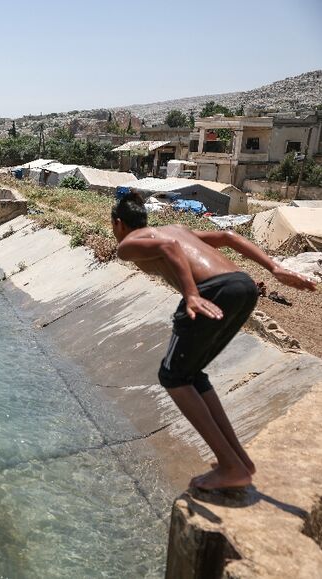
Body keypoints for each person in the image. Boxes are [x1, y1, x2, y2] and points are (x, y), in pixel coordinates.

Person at [111, 192, 316, 491]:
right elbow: (228, 236)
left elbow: (169, 248)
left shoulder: (128, 245)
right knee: (191, 375)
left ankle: (232, 466)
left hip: (213, 291)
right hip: (243, 287)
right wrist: (275, 268)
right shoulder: (177, 230)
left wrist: (191, 293)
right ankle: (239, 462)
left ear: (119, 224)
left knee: (173, 377)